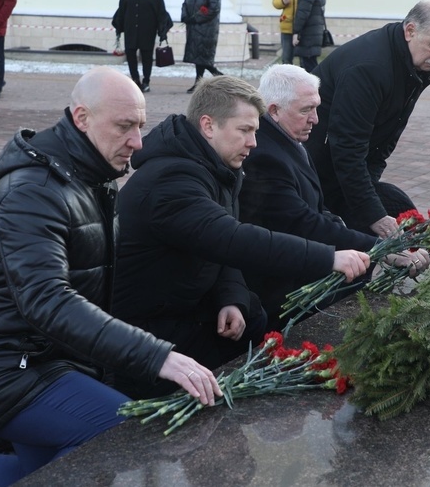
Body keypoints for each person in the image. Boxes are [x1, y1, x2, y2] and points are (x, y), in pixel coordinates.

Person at [0, 67, 223, 487]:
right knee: (122, 439)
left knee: (54, 470)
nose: (137, 142)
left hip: (54, 358)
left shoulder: (89, 175)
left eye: (140, 125)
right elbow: (49, 300)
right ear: (82, 118)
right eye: (124, 126)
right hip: (1, 369)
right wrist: (157, 355)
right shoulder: (31, 191)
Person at [112, 76, 371, 399]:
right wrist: (329, 257)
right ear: (208, 125)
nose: (254, 143)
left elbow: (218, 245)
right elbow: (231, 238)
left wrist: (230, 296)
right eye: (244, 130)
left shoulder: (212, 164)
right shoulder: (172, 180)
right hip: (146, 332)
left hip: (188, 308)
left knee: (251, 316)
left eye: (255, 131)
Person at [239, 65, 429, 329]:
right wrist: (380, 250)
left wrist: (349, 230)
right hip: (279, 285)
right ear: (274, 110)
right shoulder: (265, 156)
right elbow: (303, 222)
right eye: (305, 110)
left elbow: (315, 209)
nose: (315, 119)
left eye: (316, 107)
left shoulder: (284, 138)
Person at [303, 0, 430, 237]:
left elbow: (383, 141)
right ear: (410, 31)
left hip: (340, 171)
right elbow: (347, 148)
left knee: (390, 206)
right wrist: (371, 214)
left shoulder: (409, 63)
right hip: (312, 169)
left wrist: (369, 192)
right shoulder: (369, 67)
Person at [112, 0, 171, 94]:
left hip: (147, 30)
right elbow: (122, 7)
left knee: (146, 56)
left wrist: (163, 28)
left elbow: (161, 11)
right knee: (131, 54)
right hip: (131, 28)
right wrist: (118, 24)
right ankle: (135, 80)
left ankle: (146, 81)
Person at [181, 0, 223, 94]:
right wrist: (186, 17)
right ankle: (199, 83)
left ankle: (221, 78)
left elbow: (214, 8)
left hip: (206, 30)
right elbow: (185, 3)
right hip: (194, 29)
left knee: (204, 59)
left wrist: (196, 18)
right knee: (198, 58)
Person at [292, 0, 328, 74]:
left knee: (310, 67)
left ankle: (319, 90)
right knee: (310, 63)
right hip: (316, 31)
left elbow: (302, 14)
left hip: (308, 34)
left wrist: (296, 32)